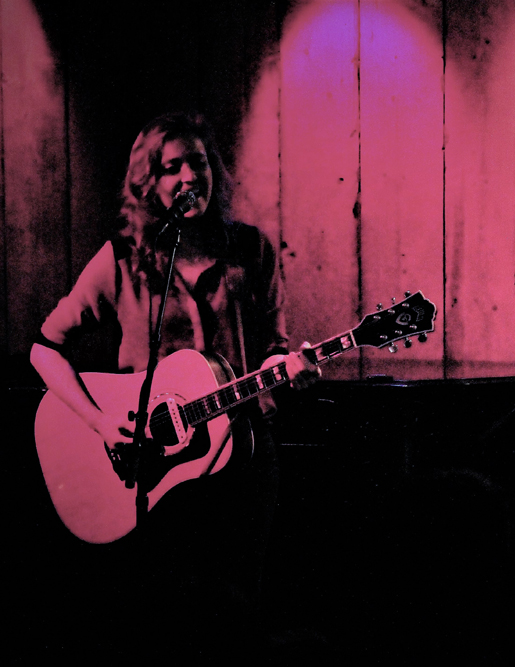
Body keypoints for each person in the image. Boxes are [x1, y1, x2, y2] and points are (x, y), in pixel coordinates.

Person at [30, 111, 319, 658]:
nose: (190, 177)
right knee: (161, 622)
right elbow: (44, 349)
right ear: (149, 185)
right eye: (172, 167)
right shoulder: (124, 261)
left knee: (237, 614)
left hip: (241, 462)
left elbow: (275, 348)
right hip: (150, 471)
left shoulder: (252, 253)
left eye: (200, 162)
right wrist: (98, 421)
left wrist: (291, 368)